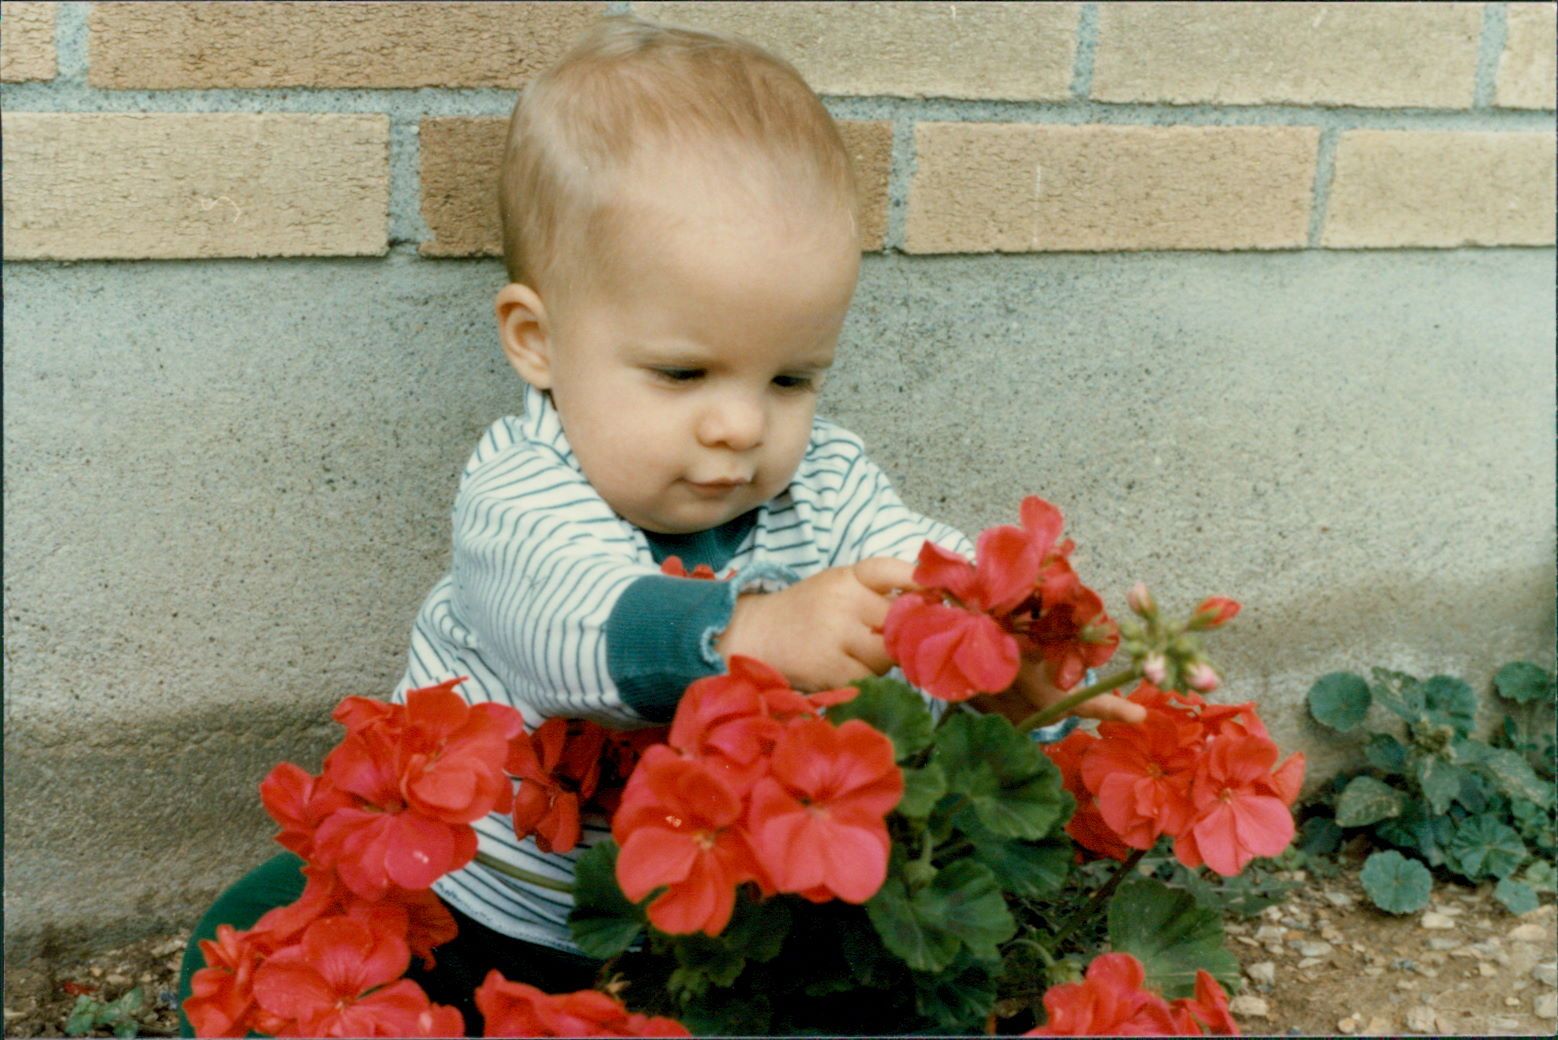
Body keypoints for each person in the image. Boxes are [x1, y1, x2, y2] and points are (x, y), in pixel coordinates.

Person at [177, 14, 1144, 1035]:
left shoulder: (824, 475)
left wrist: (1016, 643)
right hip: (486, 904)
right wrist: (753, 634)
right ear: (537, 340)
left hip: (713, 923)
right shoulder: (520, 489)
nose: (740, 425)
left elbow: (915, 561)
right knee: (245, 929)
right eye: (683, 372)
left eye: (791, 376)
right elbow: (567, 628)